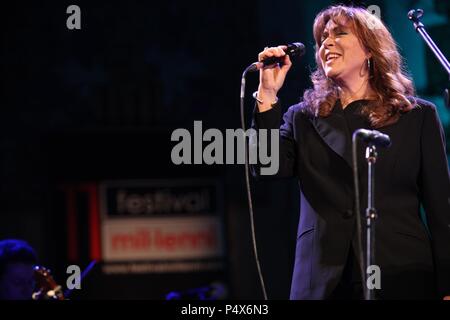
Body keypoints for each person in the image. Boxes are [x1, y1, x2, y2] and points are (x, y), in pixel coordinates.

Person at [251, 5, 450, 300]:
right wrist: (267, 95)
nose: (327, 43)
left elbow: (441, 208)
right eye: (323, 39)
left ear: (370, 49)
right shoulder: (302, 117)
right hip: (322, 279)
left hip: (400, 273)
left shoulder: (417, 116)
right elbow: (265, 167)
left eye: (340, 34)